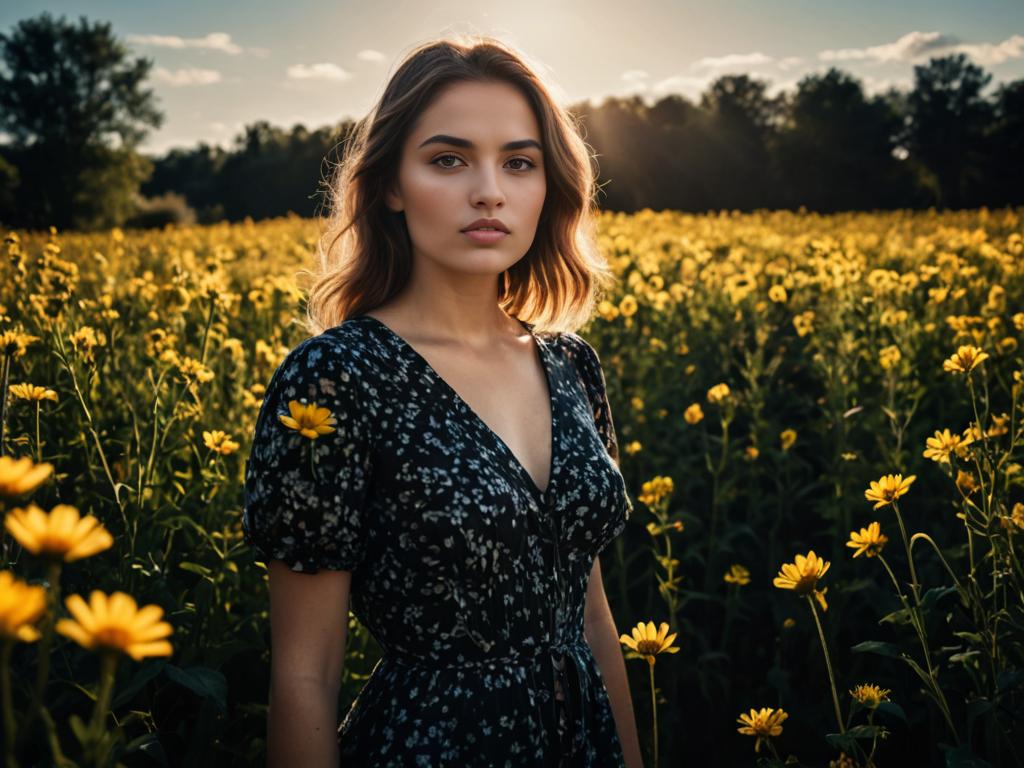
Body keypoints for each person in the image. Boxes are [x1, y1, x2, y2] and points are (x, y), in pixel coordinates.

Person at [242, 34, 642, 768]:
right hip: (431, 747)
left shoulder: (571, 365)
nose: (489, 190)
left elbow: (590, 615)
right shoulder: (338, 377)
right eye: (448, 160)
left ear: (548, 185)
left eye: (519, 162)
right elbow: (305, 674)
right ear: (391, 183)